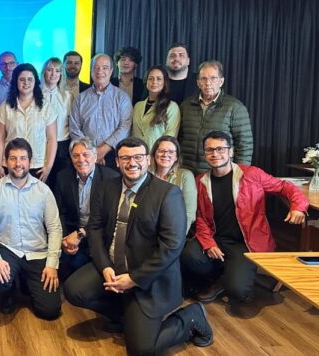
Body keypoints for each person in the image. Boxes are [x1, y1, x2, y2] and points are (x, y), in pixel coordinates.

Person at [64, 137, 212, 355]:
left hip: (148, 276)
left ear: (148, 160)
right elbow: (94, 229)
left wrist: (134, 279)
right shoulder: (106, 188)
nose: (132, 163)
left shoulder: (168, 193)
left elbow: (172, 246)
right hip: (113, 267)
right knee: (74, 290)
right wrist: (105, 267)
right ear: (117, 162)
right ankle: (124, 314)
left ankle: (191, 317)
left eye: (138, 157)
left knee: (141, 349)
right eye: (125, 158)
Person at [181, 131, 308, 307]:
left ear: (230, 151)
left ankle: (229, 278)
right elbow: (201, 217)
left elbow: (284, 187)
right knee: (189, 257)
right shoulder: (201, 181)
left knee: (238, 291)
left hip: (245, 243)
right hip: (216, 237)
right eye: (210, 150)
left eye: (220, 149)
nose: (215, 154)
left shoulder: (252, 174)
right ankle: (220, 276)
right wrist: (209, 243)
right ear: (205, 154)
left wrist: (298, 206)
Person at [0, 138, 62, 319]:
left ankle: (26, 281)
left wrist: (52, 265)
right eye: (13, 158)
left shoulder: (43, 191)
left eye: (23, 158)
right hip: (8, 249)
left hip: (37, 252)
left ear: (30, 161)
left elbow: (55, 229)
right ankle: (8, 290)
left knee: (49, 311)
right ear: (5, 161)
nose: (18, 163)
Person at [53, 138, 119, 280]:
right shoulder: (63, 177)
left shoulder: (111, 178)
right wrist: (65, 239)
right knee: (66, 269)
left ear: (95, 157)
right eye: (76, 156)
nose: (81, 160)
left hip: (100, 236)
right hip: (73, 237)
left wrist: (80, 234)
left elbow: (108, 217)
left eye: (85, 155)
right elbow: (60, 212)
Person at [180, 60, 253, 173]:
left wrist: (239, 173)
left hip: (219, 174)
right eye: (203, 78)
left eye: (213, 78)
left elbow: (244, 145)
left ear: (221, 81)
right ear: (198, 82)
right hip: (187, 172)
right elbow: (179, 139)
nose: (208, 83)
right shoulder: (186, 105)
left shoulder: (235, 107)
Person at [0, 63, 57, 182]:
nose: (26, 83)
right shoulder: (6, 107)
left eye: (30, 79)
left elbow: (52, 139)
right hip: (11, 164)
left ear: (35, 81)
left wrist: (48, 166)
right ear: (15, 82)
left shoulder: (46, 107)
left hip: (37, 166)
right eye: (22, 79)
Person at [69, 53, 133, 171]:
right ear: (91, 70)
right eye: (96, 67)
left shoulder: (122, 98)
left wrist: (103, 150)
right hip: (84, 157)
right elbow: (74, 128)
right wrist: (90, 152)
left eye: (105, 68)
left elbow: (125, 127)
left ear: (111, 71)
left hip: (113, 156)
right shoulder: (80, 98)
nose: (100, 71)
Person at [150, 136, 196, 230]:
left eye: (171, 152)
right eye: (161, 151)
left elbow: (189, 214)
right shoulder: (145, 175)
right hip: (147, 228)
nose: (165, 154)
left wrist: (177, 236)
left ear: (176, 157)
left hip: (174, 230)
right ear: (154, 154)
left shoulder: (185, 176)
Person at [131, 65, 181, 149]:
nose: (154, 82)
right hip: (137, 154)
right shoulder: (138, 106)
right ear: (146, 81)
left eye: (159, 79)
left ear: (164, 82)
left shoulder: (172, 107)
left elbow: (170, 138)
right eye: (151, 78)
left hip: (158, 154)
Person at [41, 57, 73, 185]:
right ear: (44, 72)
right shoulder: (35, 94)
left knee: (60, 182)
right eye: (50, 70)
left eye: (57, 70)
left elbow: (71, 121)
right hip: (41, 144)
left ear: (61, 74)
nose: (53, 74)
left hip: (62, 146)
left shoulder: (67, 96)